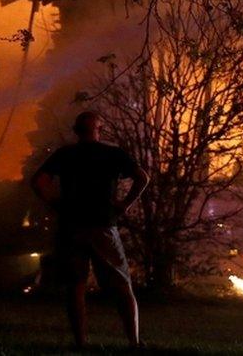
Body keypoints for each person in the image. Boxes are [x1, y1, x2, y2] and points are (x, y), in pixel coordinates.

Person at [31, 111, 151, 348]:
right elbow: (142, 178)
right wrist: (125, 204)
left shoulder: (65, 155)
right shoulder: (113, 154)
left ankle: (80, 342)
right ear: (99, 129)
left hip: (71, 226)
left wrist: (54, 202)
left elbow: (38, 182)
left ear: (76, 130)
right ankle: (134, 342)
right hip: (103, 225)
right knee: (121, 284)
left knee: (76, 285)